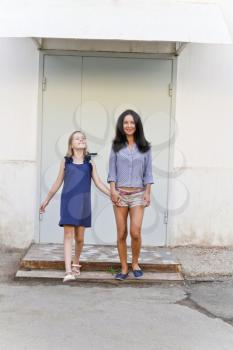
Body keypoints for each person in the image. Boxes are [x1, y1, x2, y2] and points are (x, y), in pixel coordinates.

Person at [40, 130, 110, 282]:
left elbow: (98, 183)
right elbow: (58, 182)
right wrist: (47, 199)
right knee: (68, 236)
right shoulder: (66, 162)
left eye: (83, 138)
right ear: (71, 144)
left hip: (83, 203)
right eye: (77, 138)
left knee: (79, 238)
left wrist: (112, 194)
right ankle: (68, 271)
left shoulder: (90, 163)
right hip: (68, 202)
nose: (81, 140)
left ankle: (76, 262)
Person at [107, 110, 154, 280]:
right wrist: (112, 191)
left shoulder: (145, 147)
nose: (129, 126)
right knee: (121, 233)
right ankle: (124, 267)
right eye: (125, 123)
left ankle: (135, 263)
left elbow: (148, 173)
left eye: (132, 122)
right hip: (120, 194)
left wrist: (148, 193)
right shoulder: (115, 146)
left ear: (137, 125)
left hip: (138, 195)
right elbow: (112, 172)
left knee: (135, 231)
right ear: (121, 125)